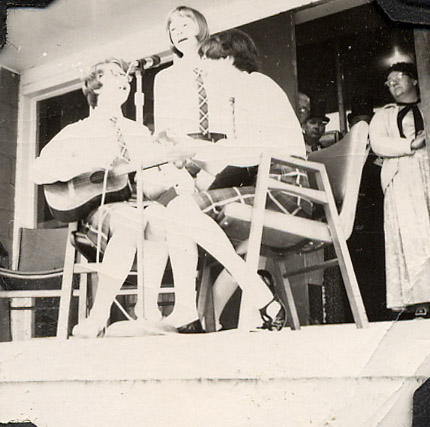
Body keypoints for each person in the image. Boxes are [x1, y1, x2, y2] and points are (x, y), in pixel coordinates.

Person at [152, 29, 312, 332]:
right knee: (180, 210)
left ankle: (254, 295)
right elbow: (232, 158)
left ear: (226, 58)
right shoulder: (240, 95)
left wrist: (194, 148)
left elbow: (253, 152)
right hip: (265, 185)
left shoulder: (255, 86)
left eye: (206, 62)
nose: (201, 71)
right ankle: (189, 311)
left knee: (182, 209)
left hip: (285, 188)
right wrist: (186, 150)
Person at [31, 58, 193, 338]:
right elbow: (38, 170)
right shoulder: (78, 131)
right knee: (132, 220)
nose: (124, 80)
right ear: (96, 85)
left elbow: (150, 182)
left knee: (159, 217)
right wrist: (90, 164)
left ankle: (148, 309)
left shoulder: (138, 132)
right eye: (115, 74)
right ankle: (97, 317)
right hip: (96, 213)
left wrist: (175, 170)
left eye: (125, 76)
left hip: (135, 206)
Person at [369, 62, 430, 317]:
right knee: (412, 237)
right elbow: (378, 144)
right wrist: (411, 144)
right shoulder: (384, 115)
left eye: (398, 77)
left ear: (414, 80)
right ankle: (422, 301)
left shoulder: (427, 106)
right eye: (389, 81)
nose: (392, 83)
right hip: (403, 174)